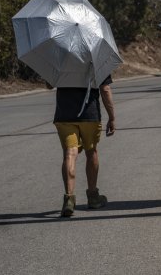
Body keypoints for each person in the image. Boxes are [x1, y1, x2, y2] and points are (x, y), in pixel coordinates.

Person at [49, 76, 116, 217]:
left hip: (65, 115)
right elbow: (105, 89)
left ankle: (69, 199)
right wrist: (112, 117)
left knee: (69, 153)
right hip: (89, 114)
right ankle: (93, 197)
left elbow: (49, 84)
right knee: (91, 151)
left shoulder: (60, 56)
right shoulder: (97, 57)